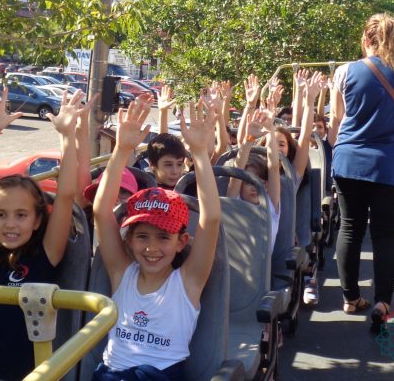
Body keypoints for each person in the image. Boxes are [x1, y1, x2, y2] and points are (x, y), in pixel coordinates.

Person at [0, 85, 86, 381]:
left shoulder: (44, 256)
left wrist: (67, 135)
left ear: (37, 221)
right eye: (1, 214)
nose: (10, 223)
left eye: (21, 215)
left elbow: (65, 196)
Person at [93, 99, 221, 380]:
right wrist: (121, 150)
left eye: (163, 237)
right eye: (142, 236)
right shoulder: (122, 274)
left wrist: (200, 153)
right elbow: (101, 212)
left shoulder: (187, 282)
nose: (151, 248)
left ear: (181, 241)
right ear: (128, 240)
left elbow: (211, 218)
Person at [329, 13, 394, 333]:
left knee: (350, 228)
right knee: (386, 234)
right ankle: (382, 302)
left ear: (365, 40)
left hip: (349, 160)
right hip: (390, 164)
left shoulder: (345, 71)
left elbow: (337, 120)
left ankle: (350, 298)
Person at [227, 108, 281, 250]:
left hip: (262, 264)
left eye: (260, 182)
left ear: (267, 185)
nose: (255, 187)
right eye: (248, 182)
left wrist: (270, 130)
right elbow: (237, 172)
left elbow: (274, 167)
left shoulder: (270, 205)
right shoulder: (234, 203)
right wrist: (249, 140)